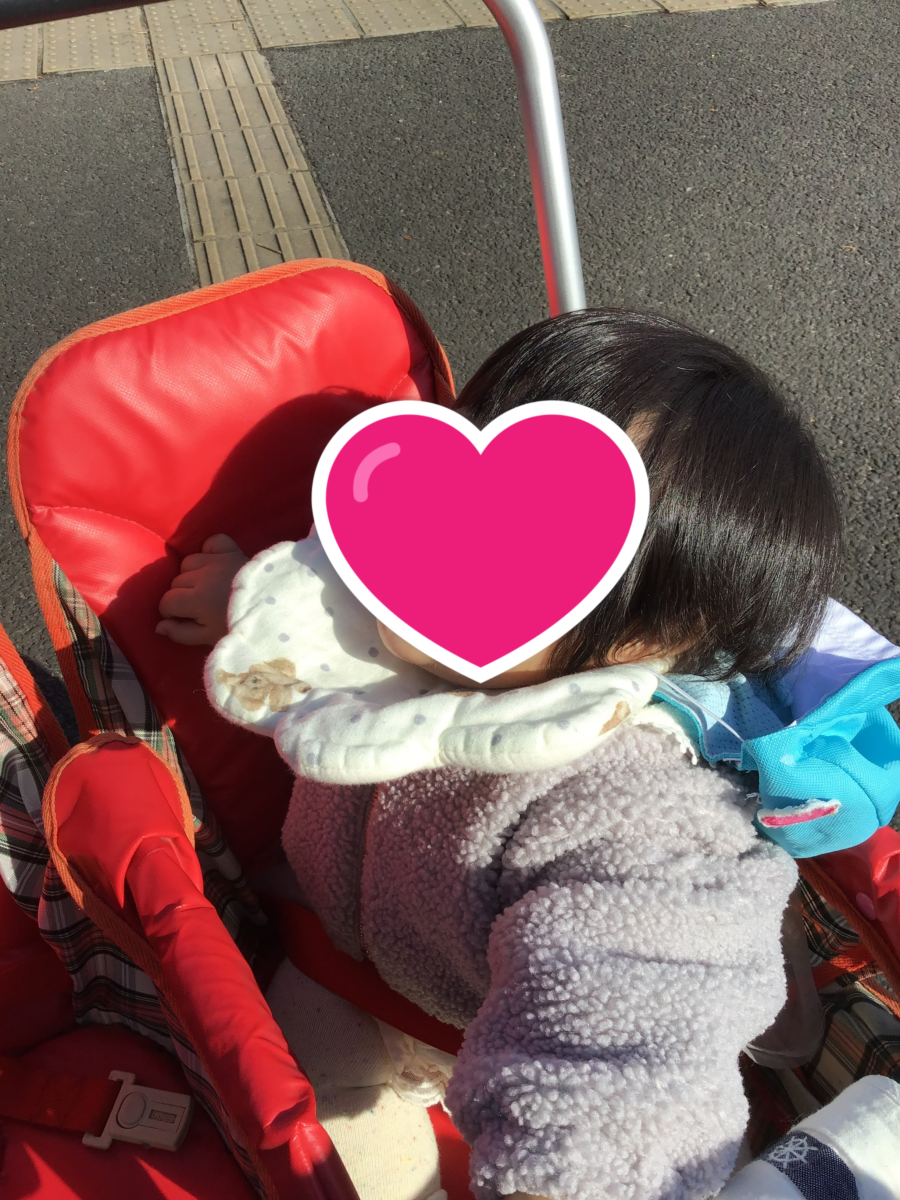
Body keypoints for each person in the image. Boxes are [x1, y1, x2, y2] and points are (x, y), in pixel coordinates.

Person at [157, 309, 842, 1200]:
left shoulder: (636, 812)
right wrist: (247, 605)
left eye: (531, 549)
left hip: (506, 1032)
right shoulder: (392, 598)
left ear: (655, 639)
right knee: (297, 1133)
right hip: (336, 969)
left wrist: (584, 1176)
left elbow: (639, 1011)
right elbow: (328, 633)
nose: (437, 558)